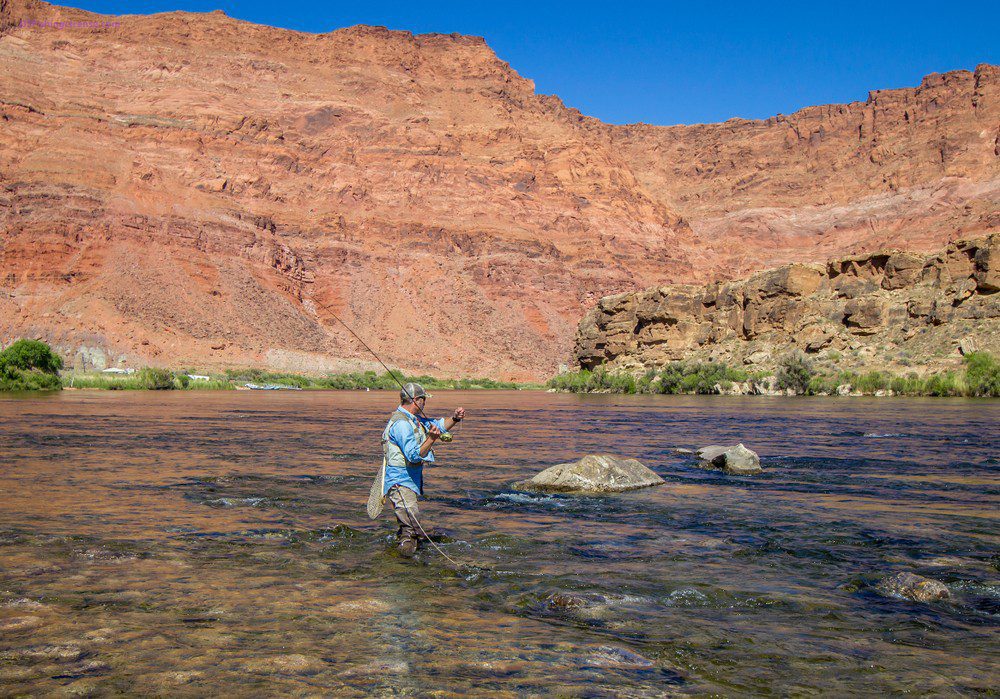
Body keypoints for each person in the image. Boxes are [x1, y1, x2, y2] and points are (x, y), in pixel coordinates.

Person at [381, 382, 465, 556]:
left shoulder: (414, 420)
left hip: (408, 480)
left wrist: (455, 418)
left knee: (410, 526)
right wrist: (431, 439)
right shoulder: (402, 425)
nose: (425, 403)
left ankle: (405, 559)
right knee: (411, 528)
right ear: (417, 401)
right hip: (399, 481)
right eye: (424, 400)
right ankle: (404, 565)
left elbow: (439, 425)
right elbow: (413, 455)